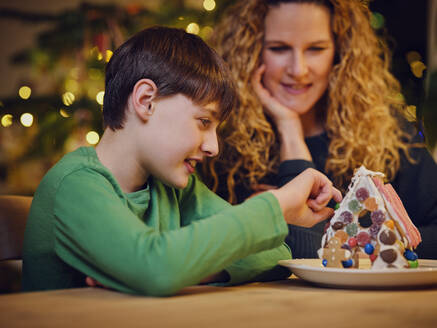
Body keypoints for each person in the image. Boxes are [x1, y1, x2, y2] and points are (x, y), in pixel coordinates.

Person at [22, 26, 342, 296]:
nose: (213, 147)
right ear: (146, 101)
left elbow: (273, 255)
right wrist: (279, 202)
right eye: (204, 121)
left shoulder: (175, 187)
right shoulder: (75, 185)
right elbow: (156, 267)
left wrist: (187, 268)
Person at [204, 0, 437, 259]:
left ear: (339, 53)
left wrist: (361, 243)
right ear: (251, 52)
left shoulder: (388, 131)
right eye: (279, 48)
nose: (298, 70)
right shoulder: (216, 139)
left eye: (316, 49)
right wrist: (290, 127)